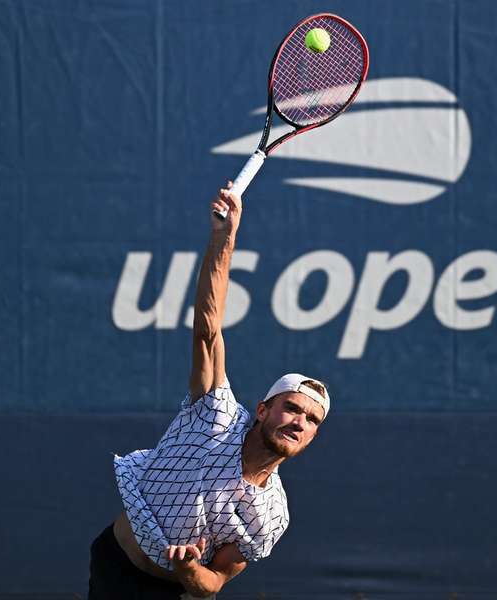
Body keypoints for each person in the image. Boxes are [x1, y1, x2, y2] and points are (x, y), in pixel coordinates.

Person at [87, 181, 330, 599]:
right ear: (262, 410)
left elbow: (212, 584)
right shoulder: (214, 414)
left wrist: (188, 570)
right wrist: (224, 237)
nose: (299, 422)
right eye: (292, 408)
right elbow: (207, 330)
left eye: (311, 420)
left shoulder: (270, 514)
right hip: (112, 558)